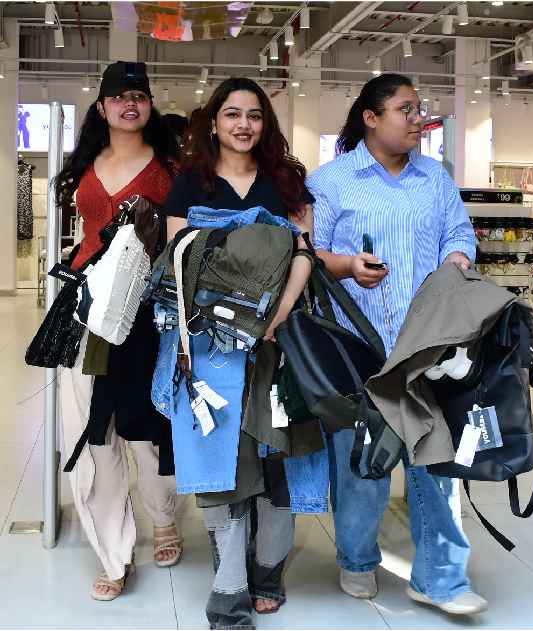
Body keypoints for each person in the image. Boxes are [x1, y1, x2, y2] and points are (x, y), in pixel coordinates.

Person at [307, 73, 487, 615]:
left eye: (419, 109)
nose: (417, 119)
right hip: (358, 350)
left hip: (427, 348)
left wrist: (457, 260)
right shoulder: (332, 181)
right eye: (406, 109)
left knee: (435, 463)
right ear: (371, 117)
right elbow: (308, 255)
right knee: (362, 462)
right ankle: (357, 559)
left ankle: (439, 578)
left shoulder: (434, 178)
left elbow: (458, 233)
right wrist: (347, 265)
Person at [163, 77, 314, 630]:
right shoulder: (190, 183)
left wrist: (279, 314)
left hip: (278, 340)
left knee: (277, 452)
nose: (243, 124)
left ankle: (268, 570)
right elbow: (180, 263)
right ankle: (228, 589)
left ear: (265, 124)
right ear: (214, 122)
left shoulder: (285, 184)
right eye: (232, 114)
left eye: (254, 115)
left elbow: (304, 252)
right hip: (210, 345)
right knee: (220, 459)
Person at [53, 61, 181, 601]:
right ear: (102, 107)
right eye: (119, 97)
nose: (130, 104)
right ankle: (113, 550)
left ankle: (164, 517)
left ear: (149, 105)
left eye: (140, 96)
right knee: (95, 432)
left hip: (146, 312)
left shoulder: (171, 167)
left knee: (147, 428)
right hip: (86, 310)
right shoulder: (84, 162)